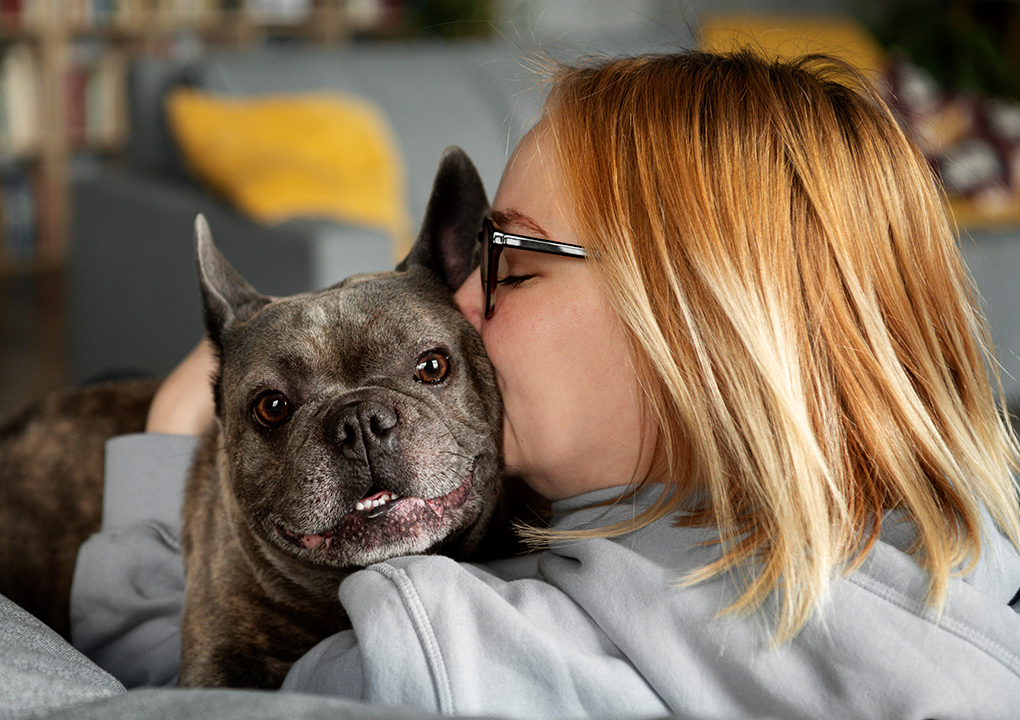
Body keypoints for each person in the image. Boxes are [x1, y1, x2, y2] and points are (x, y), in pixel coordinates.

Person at [74, 50, 1020, 716]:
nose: (465, 299)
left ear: (696, 329)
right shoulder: (965, 545)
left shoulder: (449, 655)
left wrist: (165, 444)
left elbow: (164, 684)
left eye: (511, 263)